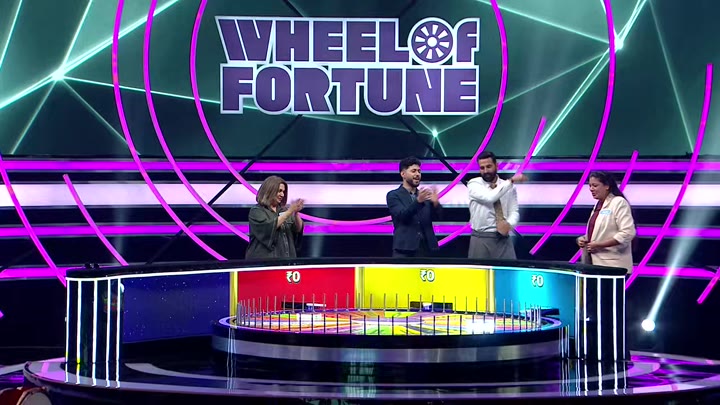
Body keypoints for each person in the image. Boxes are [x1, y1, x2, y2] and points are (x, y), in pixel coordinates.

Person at [467, 151, 527, 260]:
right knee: (479, 271)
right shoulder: (473, 184)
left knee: (508, 270)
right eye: (482, 168)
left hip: (502, 238)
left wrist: (509, 224)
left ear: (497, 166)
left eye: (489, 166)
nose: (485, 171)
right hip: (480, 238)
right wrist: (511, 180)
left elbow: (514, 211)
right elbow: (490, 197)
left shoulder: (509, 187)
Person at [577, 171, 636, 273]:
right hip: (594, 265)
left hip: (613, 267)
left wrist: (599, 245)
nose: (591, 189)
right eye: (590, 186)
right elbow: (601, 232)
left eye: (595, 185)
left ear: (607, 186)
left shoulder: (618, 202)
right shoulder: (598, 205)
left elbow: (627, 233)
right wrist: (584, 239)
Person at [386, 156, 442, 257]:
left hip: (427, 250)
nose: (417, 174)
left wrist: (435, 204)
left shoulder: (424, 195)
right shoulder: (393, 195)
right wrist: (418, 202)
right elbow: (402, 216)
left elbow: (437, 218)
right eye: (413, 171)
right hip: (404, 250)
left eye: (419, 171)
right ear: (403, 174)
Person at [245, 176, 304, 259]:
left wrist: (296, 213)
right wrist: (290, 211)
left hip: (286, 261)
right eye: (279, 191)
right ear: (270, 190)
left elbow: (297, 229)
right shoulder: (257, 211)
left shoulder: (284, 210)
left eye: (283, 192)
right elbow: (268, 227)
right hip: (263, 261)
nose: (282, 195)